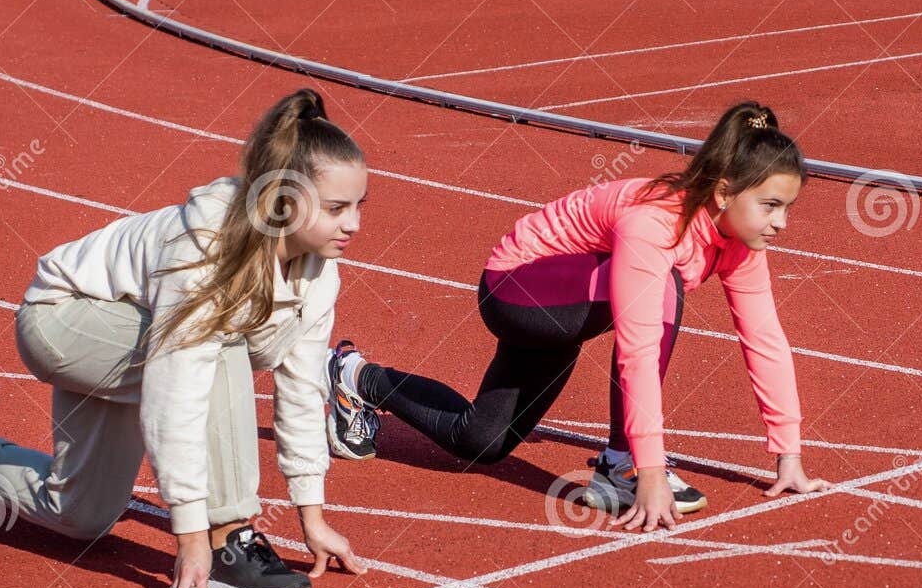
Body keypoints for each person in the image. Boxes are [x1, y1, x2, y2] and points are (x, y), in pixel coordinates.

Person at [0, 88, 367, 588]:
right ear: (283, 202)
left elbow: (303, 391)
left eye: (358, 206)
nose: (353, 224)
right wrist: (193, 533)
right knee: (220, 347)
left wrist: (312, 517)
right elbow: (178, 391)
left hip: (134, 341)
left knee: (80, 514)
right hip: (63, 320)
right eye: (337, 208)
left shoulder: (320, 275)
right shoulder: (209, 249)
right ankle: (231, 541)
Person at [326, 100, 827, 530]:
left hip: (567, 310)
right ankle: (620, 463)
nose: (780, 223)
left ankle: (356, 377)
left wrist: (788, 455)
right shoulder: (656, 223)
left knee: (481, 441)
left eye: (787, 208)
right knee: (664, 289)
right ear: (723, 193)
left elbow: (764, 338)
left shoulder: (740, 242)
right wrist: (649, 470)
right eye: (770, 206)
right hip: (515, 287)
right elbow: (637, 344)